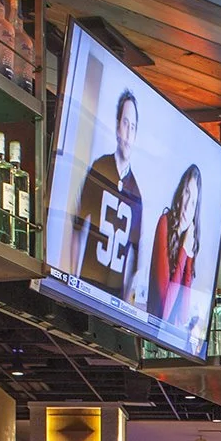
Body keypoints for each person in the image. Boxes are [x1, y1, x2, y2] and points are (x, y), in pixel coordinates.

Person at [71, 86, 143, 304]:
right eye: (125, 124)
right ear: (117, 126)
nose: (129, 133)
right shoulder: (100, 168)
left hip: (113, 300)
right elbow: (77, 228)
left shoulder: (137, 193)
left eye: (133, 127)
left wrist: (124, 307)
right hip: (85, 287)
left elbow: (135, 260)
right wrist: (73, 280)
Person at [147, 162, 203, 336]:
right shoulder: (164, 222)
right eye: (186, 193)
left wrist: (189, 256)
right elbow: (165, 306)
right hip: (152, 335)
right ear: (180, 193)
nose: (187, 205)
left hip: (172, 341)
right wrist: (184, 253)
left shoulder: (187, 241)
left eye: (193, 202)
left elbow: (183, 314)